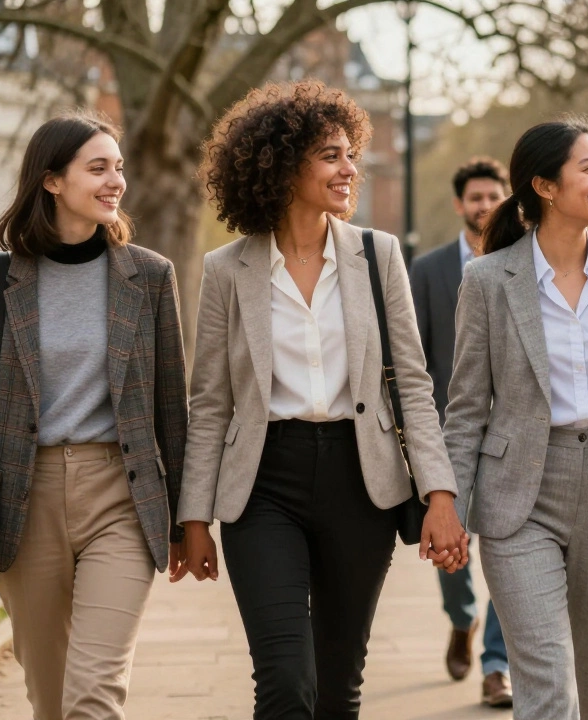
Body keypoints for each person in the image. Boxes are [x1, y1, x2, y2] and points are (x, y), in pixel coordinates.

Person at [178, 80, 469, 720]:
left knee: (339, 688)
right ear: (283, 165)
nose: (350, 169)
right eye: (331, 155)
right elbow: (210, 405)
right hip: (262, 486)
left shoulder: (377, 254)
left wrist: (440, 494)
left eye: (350, 153)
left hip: (359, 482)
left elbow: (413, 384)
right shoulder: (228, 270)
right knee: (284, 682)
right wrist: (194, 517)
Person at [0, 111, 189, 720]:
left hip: (122, 499)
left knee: (93, 694)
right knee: (51, 701)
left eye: (120, 168)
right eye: (98, 168)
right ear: (52, 181)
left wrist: (189, 520)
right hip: (27, 500)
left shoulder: (151, 276)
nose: (116, 181)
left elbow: (170, 409)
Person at [444, 118, 588, 720]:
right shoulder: (488, 280)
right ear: (545, 187)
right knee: (547, 686)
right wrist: (445, 505)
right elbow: (466, 407)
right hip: (518, 496)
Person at [408, 156, 512, 707]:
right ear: (459, 205)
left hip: (515, 438)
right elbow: (413, 359)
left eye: (493, 195)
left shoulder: (528, 260)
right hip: (449, 436)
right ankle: (461, 617)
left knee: (511, 553)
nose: (484, 206)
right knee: (450, 549)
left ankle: (496, 665)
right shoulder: (426, 271)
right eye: (475, 198)